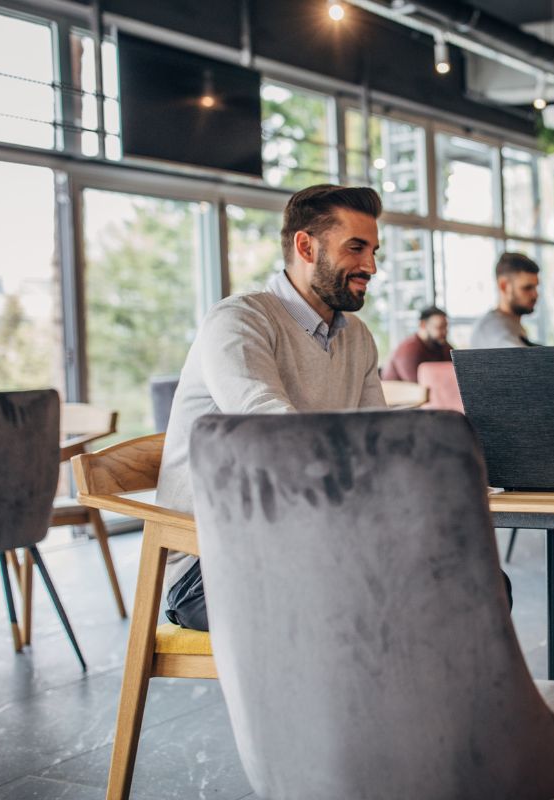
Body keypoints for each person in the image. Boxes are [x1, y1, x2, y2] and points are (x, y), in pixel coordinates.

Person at [157, 184, 389, 632]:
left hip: (311, 538)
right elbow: (275, 436)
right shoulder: (239, 320)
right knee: (382, 601)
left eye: (374, 250)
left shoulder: (357, 337)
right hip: (211, 563)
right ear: (306, 245)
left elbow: (375, 440)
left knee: (477, 581)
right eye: (356, 248)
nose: (371, 266)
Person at [469, 252, 540, 348]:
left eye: (535, 287)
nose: (535, 295)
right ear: (504, 286)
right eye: (527, 288)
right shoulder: (492, 330)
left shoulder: (512, 325)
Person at [381, 305, 452, 382]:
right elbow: (419, 386)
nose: (445, 332)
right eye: (440, 327)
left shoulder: (440, 345)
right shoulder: (409, 350)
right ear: (423, 325)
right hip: (401, 393)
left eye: (446, 327)